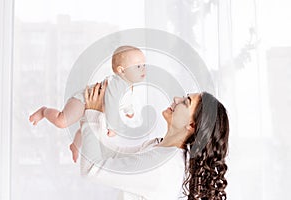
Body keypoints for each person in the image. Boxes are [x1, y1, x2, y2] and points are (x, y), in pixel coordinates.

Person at [80, 82, 229, 200]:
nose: (177, 99)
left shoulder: (161, 165)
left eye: (185, 102)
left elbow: (92, 169)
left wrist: (92, 114)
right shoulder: (162, 149)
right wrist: (98, 113)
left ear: (191, 125)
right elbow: (110, 154)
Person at [29, 45, 146, 162]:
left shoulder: (128, 85)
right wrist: (113, 127)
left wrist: (129, 111)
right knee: (62, 121)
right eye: (138, 66)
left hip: (94, 109)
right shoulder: (117, 83)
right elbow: (112, 103)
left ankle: (75, 145)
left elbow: (126, 101)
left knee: (88, 130)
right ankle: (44, 111)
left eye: (144, 65)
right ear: (121, 70)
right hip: (83, 101)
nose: (143, 69)